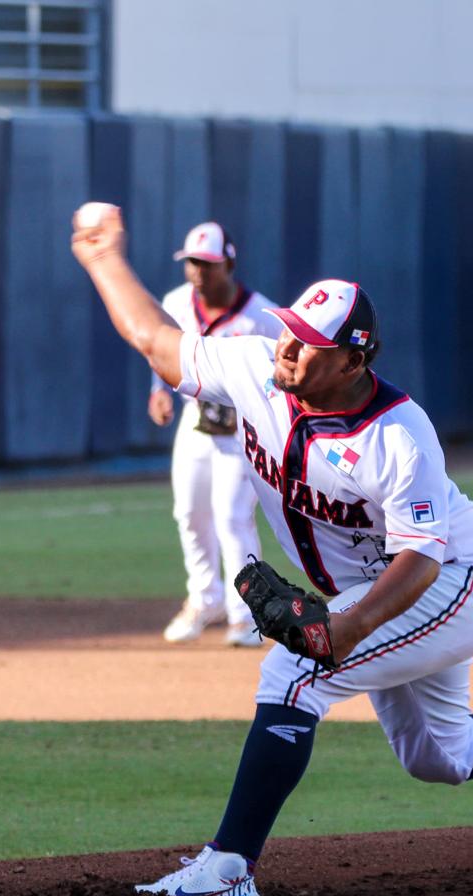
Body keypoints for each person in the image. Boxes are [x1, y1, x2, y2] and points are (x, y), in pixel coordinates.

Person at [72, 204, 473, 896]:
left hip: (451, 582)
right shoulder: (256, 363)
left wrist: (341, 630)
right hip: (379, 589)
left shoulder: (400, 433)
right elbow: (152, 337)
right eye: (289, 330)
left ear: (353, 359)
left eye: (308, 343)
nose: (287, 348)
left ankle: (229, 867)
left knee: (294, 673)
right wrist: (103, 259)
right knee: (441, 758)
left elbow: (419, 560)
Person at [150, 222, 286, 647]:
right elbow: (160, 349)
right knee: (189, 513)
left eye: (207, 263)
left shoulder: (260, 315)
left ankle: (246, 614)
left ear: (228, 262)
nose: (198, 271)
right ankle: (203, 599)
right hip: (195, 424)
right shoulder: (175, 302)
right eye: (192, 262)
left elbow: (284, 368)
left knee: (231, 516)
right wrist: (158, 390)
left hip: (242, 431)